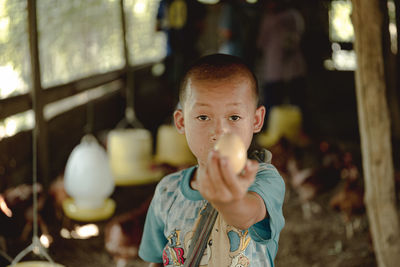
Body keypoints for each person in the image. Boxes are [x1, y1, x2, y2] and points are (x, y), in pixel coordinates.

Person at [138, 54, 285, 267]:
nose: (219, 132)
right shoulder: (167, 192)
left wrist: (229, 200)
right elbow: (157, 260)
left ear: (256, 120)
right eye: (203, 117)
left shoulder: (263, 180)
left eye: (234, 117)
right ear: (181, 122)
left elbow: (245, 216)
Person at [256, 0, 307, 126]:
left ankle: (294, 130)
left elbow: (297, 37)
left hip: (291, 68)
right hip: (274, 68)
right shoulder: (270, 19)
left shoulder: (292, 16)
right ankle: (272, 130)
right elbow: (261, 43)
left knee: (295, 102)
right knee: (273, 102)